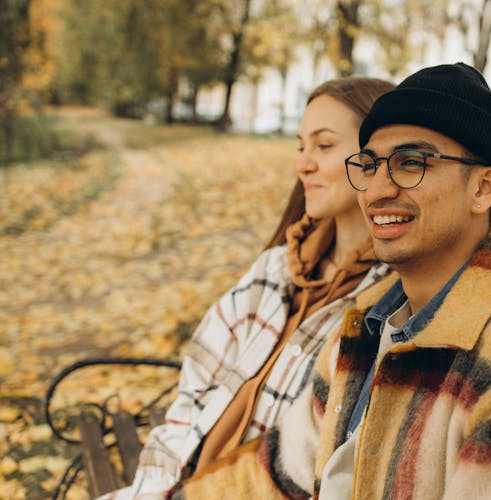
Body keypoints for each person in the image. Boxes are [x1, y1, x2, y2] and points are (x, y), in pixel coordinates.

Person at [176, 63, 491, 499]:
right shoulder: (370, 321)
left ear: (484, 188)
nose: (377, 190)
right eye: (370, 165)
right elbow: (276, 473)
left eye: (411, 162)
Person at [108, 76, 395, 498]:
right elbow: (188, 409)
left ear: (377, 158)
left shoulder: (389, 310)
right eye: (302, 147)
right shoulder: (274, 271)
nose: (303, 165)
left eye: (324, 145)